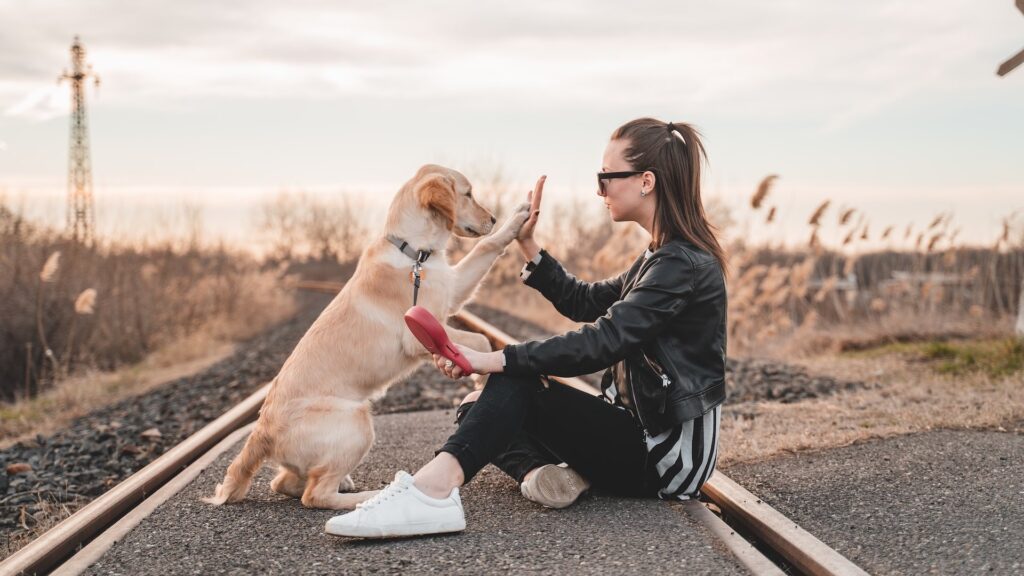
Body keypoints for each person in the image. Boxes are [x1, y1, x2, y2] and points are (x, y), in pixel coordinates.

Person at [325, 117, 729, 539]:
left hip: (665, 456)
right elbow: (585, 301)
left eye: (605, 177)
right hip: (635, 432)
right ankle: (545, 475)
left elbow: (603, 341)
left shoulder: (679, 265)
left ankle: (431, 492)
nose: (599, 190)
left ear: (646, 181)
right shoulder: (659, 257)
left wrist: (496, 358)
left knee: (511, 385)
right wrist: (528, 244)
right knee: (477, 408)